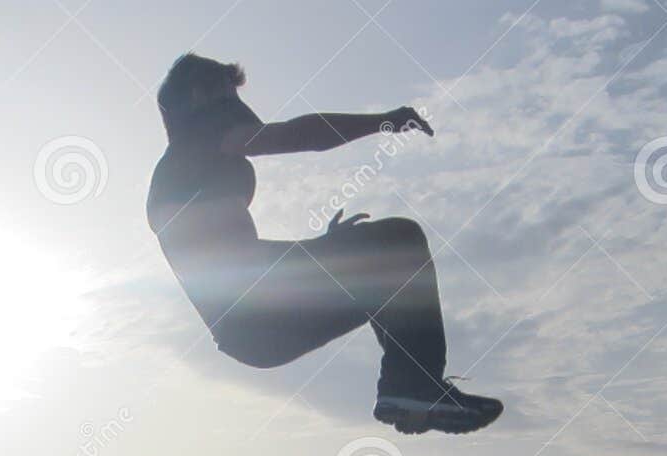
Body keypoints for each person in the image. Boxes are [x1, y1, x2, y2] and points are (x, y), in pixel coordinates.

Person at [147, 54, 502, 435]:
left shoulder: (174, 173)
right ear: (200, 97)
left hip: (251, 333)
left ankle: (410, 396)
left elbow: (228, 260)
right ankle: (412, 386)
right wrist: (385, 120)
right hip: (262, 309)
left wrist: (321, 249)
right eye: (229, 96)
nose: (240, 109)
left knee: (385, 273)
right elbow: (296, 135)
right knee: (400, 240)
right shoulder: (201, 135)